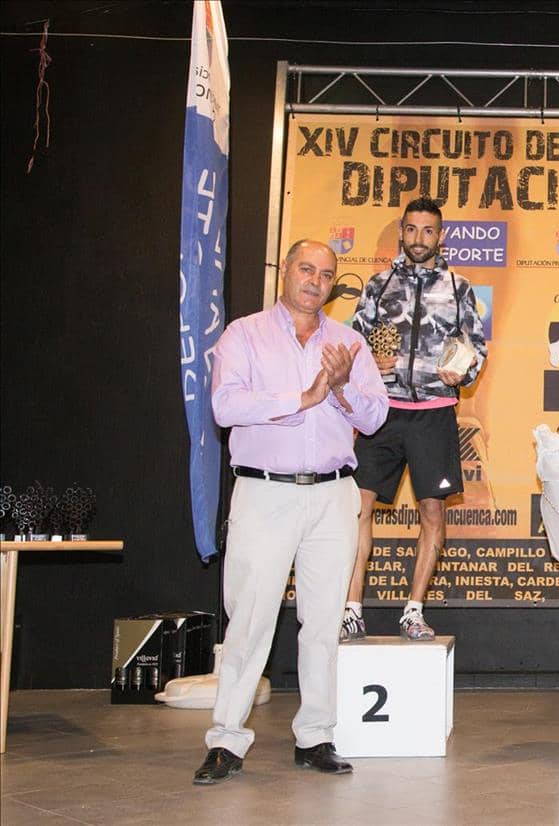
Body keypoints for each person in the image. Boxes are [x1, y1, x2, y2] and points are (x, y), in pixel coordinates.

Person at [194, 240, 389, 785]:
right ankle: (226, 740)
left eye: (326, 275)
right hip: (265, 492)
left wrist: (342, 388)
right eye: (306, 269)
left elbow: (375, 417)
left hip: (333, 493)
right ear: (286, 271)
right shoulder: (244, 335)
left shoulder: (349, 343)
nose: (315, 281)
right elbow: (225, 406)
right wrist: (302, 398)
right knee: (250, 620)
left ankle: (316, 736)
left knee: (323, 622)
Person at [341, 197, 487, 642]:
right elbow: (353, 345)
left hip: (434, 413)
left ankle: (414, 611)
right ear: (402, 232)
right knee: (357, 508)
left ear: (440, 236)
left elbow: (476, 349)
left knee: (432, 512)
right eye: (411, 229)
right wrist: (368, 363)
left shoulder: (459, 288)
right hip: (381, 412)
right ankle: (351, 609)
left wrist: (463, 372)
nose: (419, 238)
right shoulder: (377, 286)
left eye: (428, 230)